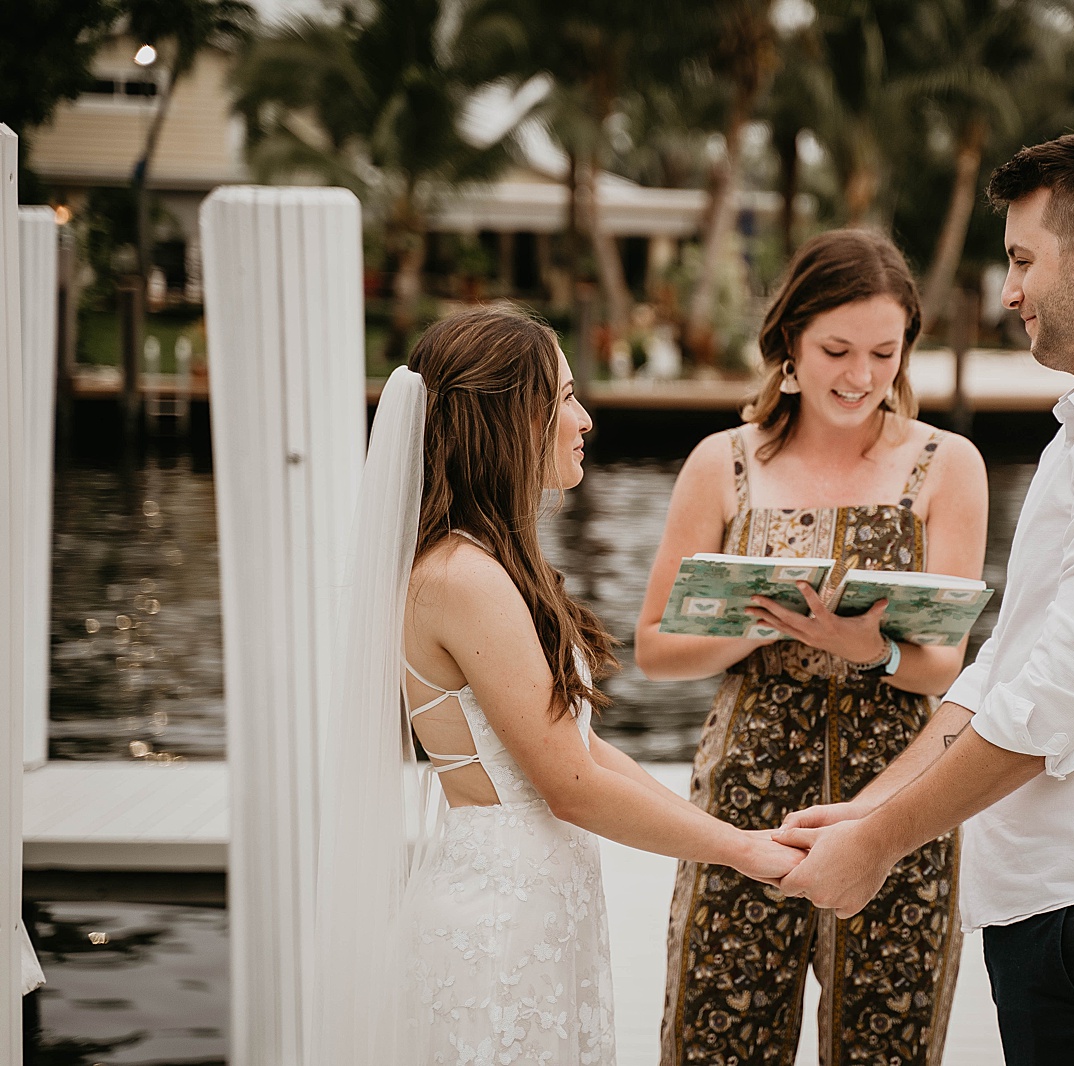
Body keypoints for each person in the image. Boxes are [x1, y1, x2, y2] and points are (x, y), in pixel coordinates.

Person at [774, 131, 1074, 1066]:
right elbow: (1003, 671)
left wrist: (881, 844)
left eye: (1024, 259)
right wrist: (866, 810)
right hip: (1056, 906)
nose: (1011, 291)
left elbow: (1059, 696)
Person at [310, 307, 803, 1066]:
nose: (584, 419)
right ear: (508, 418)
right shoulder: (461, 576)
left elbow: (586, 751)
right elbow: (568, 785)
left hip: (540, 909)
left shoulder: (485, 561)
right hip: (497, 927)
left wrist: (734, 836)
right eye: (564, 398)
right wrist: (742, 855)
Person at [634, 230, 989, 1066]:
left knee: (887, 1049)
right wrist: (761, 624)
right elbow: (654, 647)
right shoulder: (722, 462)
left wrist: (866, 647)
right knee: (716, 1040)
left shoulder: (948, 465)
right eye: (836, 349)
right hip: (744, 794)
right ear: (790, 339)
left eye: (882, 352)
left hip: (897, 804)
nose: (859, 376)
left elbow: (946, 666)